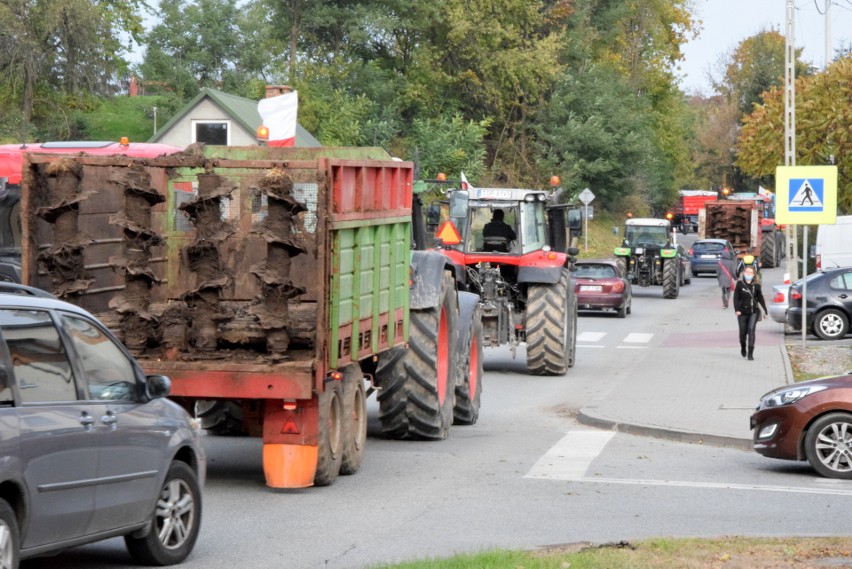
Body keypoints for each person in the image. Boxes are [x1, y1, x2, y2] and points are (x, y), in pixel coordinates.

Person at [733, 266, 768, 361]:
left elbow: (760, 298)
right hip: (742, 313)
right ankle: (743, 347)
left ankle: (750, 353)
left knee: (751, 331)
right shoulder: (740, 284)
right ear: (744, 273)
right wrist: (737, 309)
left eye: (750, 272)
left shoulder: (757, 286)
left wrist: (765, 311)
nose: (748, 274)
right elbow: (736, 298)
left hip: (754, 312)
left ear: (753, 275)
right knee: (742, 333)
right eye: (747, 272)